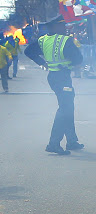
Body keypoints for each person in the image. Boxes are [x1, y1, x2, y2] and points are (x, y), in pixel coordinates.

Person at [25, 15, 83, 155]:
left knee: (67, 108)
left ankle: (71, 140)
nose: (64, 28)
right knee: (65, 110)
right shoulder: (66, 40)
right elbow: (78, 59)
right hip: (63, 78)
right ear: (56, 27)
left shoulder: (43, 40)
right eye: (62, 25)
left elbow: (28, 51)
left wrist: (42, 63)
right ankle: (53, 143)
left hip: (53, 77)